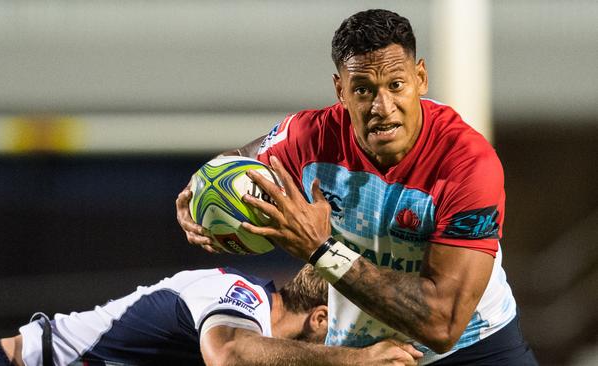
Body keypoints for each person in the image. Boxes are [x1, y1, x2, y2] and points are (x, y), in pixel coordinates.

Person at [176, 9, 538, 365]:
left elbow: (442, 325)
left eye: (396, 85)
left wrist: (321, 249)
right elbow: (241, 159)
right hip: (364, 352)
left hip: (475, 348)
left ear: (421, 78)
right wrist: (200, 192)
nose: (382, 107)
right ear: (340, 90)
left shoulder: (467, 166)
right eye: (363, 90)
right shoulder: (311, 138)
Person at [0, 265, 422, 366]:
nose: (346, 343)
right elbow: (229, 353)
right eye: (348, 334)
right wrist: (358, 361)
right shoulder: (239, 295)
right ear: (320, 319)